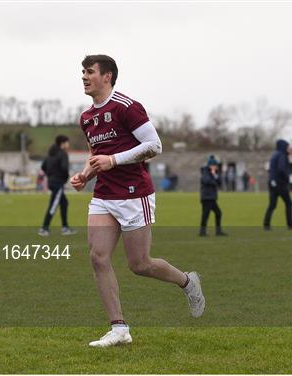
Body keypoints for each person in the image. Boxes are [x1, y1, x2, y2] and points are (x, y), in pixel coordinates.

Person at [70, 55, 205, 347]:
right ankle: (119, 328)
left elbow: (154, 145)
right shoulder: (86, 118)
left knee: (139, 264)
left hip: (134, 193)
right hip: (104, 195)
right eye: (82, 71)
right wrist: (84, 175)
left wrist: (114, 160)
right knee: (97, 257)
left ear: (107, 76)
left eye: (89, 71)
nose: (83, 76)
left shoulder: (127, 107)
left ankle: (187, 281)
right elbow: (97, 155)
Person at [38, 135, 77, 236]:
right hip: (57, 183)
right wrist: (65, 177)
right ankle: (44, 228)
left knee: (64, 203)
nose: (68, 145)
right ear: (62, 143)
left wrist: (50, 175)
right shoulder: (63, 154)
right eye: (67, 142)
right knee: (54, 205)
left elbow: (43, 166)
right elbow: (64, 168)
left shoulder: (51, 154)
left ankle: (65, 227)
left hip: (52, 182)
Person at [263, 139, 292, 230]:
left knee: (272, 205)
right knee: (289, 203)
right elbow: (281, 169)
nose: (289, 149)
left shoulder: (274, 155)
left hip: (272, 183)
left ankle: (266, 225)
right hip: (280, 183)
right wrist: (287, 178)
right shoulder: (282, 155)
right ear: (284, 147)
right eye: (288, 147)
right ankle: (290, 225)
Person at [199, 156, 227, 237]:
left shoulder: (214, 173)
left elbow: (220, 183)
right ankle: (202, 232)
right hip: (207, 197)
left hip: (212, 197)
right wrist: (214, 180)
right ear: (211, 165)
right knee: (206, 214)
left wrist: (215, 175)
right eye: (215, 165)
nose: (216, 167)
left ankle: (218, 231)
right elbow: (206, 181)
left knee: (218, 213)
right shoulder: (205, 171)